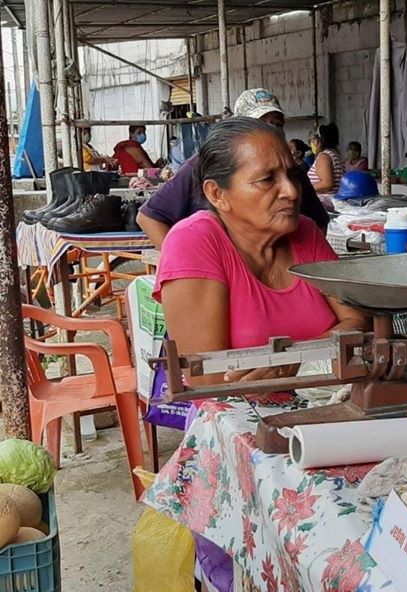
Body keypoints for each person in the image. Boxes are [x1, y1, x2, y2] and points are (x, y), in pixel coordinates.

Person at [154, 117, 367, 386]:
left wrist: (290, 360)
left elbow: (357, 321)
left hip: (323, 399)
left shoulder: (306, 231)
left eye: (292, 175)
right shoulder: (193, 241)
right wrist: (311, 356)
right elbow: (206, 376)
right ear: (217, 194)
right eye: (267, 179)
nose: (291, 191)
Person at [136, 88, 330, 248]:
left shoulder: (289, 168)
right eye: (260, 124)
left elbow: (317, 223)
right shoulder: (203, 165)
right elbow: (149, 217)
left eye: (276, 124)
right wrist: (181, 263)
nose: (290, 191)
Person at [306, 123, 344, 195]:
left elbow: (327, 183)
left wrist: (305, 190)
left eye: (312, 140)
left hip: (324, 201)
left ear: (319, 141)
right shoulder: (335, 154)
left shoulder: (324, 157)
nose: (311, 144)